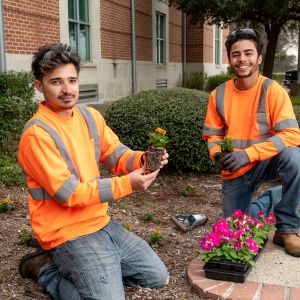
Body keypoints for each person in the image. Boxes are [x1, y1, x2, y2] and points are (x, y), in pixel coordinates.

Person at [18, 43, 169, 299]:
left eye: (72, 80)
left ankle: (95, 267)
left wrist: (142, 159)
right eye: (56, 82)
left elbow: (117, 155)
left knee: (157, 276)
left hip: (100, 223)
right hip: (66, 233)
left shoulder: (89, 117)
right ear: (39, 86)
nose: (67, 90)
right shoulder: (37, 134)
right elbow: (69, 194)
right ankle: (45, 269)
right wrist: (128, 184)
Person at [202, 28, 300, 257]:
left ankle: (287, 229)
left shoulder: (273, 91)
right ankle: (273, 198)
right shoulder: (218, 95)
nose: (242, 59)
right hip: (236, 170)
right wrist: (217, 155)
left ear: (258, 58)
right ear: (229, 60)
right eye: (236, 54)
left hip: (267, 161)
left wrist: (248, 154)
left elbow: (292, 134)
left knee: (296, 158)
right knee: (236, 232)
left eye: (248, 53)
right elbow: (212, 136)